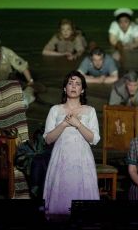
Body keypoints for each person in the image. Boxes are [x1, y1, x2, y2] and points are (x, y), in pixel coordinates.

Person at [42, 71, 100, 215]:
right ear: (64, 88)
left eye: (77, 84)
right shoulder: (55, 110)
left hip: (82, 159)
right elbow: (48, 139)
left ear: (82, 89)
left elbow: (94, 139)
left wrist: (78, 124)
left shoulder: (90, 111)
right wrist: (63, 124)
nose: (73, 86)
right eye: (70, 83)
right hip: (61, 158)